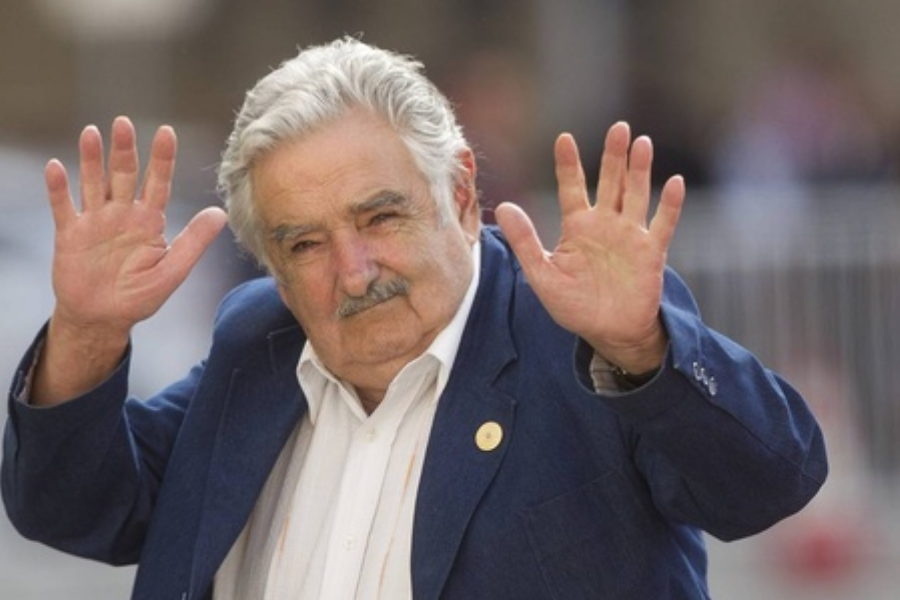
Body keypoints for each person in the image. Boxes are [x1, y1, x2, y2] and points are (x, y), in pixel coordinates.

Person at [1, 37, 827, 600]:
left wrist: (643, 348)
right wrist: (87, 333)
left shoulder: (577, 330)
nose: (354, 270)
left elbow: (766, 487)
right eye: (305, 243)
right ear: (272, 268)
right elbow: (75, 508)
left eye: (381, 218)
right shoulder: (258, 340)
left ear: (461, 195)